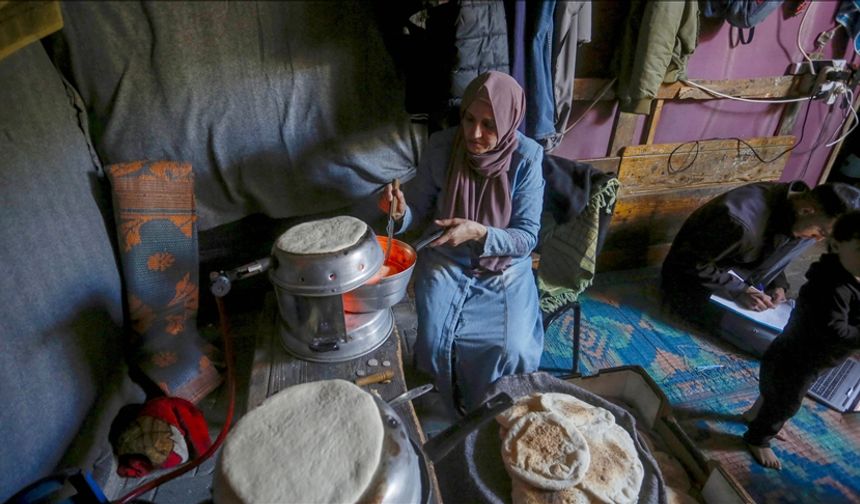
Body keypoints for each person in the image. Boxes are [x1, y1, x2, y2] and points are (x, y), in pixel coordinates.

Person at [378, 71, 545, 414]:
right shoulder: (442, 147)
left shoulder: (527, 159)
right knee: (435, 335)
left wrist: (481, 233)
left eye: (489, 125)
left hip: (505, 266)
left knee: (511, 348)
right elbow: (417, 211)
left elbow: (526, 236)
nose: (474, 134)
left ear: (509, 122)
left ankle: (492, 408)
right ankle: (446, 398)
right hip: (448, 256)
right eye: (469, 119)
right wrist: (398, 212)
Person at [742, 210, 860, 470]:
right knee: (786, 402)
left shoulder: (849, 274)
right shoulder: (833, 286)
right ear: (837, 245)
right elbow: (834, 331)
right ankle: (758, 439)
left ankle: (754, 415)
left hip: (804, 353)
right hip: (802, 357)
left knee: (774, 388)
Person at [661, 181, 860, 317]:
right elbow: (687, 262)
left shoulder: (803, 219)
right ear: (806, 210)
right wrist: (739, 290)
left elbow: (773, 256)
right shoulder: (739, 220)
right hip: (690, 286)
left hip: (744, 282)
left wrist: (778, 284)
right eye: (821, 233)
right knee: (769, 346)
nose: (818, 240)